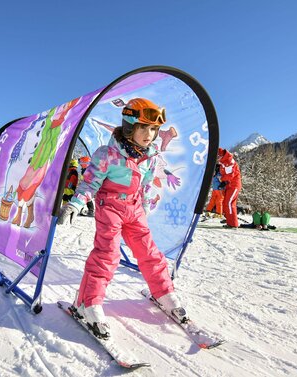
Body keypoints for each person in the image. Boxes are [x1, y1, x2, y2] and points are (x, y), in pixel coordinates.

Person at [57, 97, 186, 339]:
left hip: (135, 209)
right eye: (144, 127)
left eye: (154, 129)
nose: (150, 134)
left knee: (149, 252)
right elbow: (90, 184)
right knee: (107, 254)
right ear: (129, 126)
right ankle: (88, 302)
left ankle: (164, 293)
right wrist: (75, 204)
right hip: (110, 208)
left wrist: (145, 206)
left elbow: (146, 184)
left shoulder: (151, 155)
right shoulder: (107, 154)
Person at [218, 147, 242, 228]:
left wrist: (224, 181)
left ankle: (232, 224)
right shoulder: (223, 162)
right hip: (229, 185)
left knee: (229, 203)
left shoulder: (228, 161)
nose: (217, 158)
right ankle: (229, 220)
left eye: (218, 156)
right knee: (226, 202)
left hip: (233, 185)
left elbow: (230, 174)